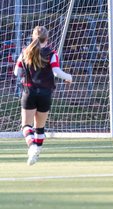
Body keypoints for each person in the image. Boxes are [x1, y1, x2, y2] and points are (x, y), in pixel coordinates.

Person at [14, 26, 73, 165]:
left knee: (26, 126)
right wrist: (68, 77)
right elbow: (57, 72)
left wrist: (26, 75)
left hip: (29, 92)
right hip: (45, 93)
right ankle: (35, 153)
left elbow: (17, 72)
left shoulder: (25, 52)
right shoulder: (52, 53)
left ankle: (32, 147)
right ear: (47, 39)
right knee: (39, 128)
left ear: (33, 37)